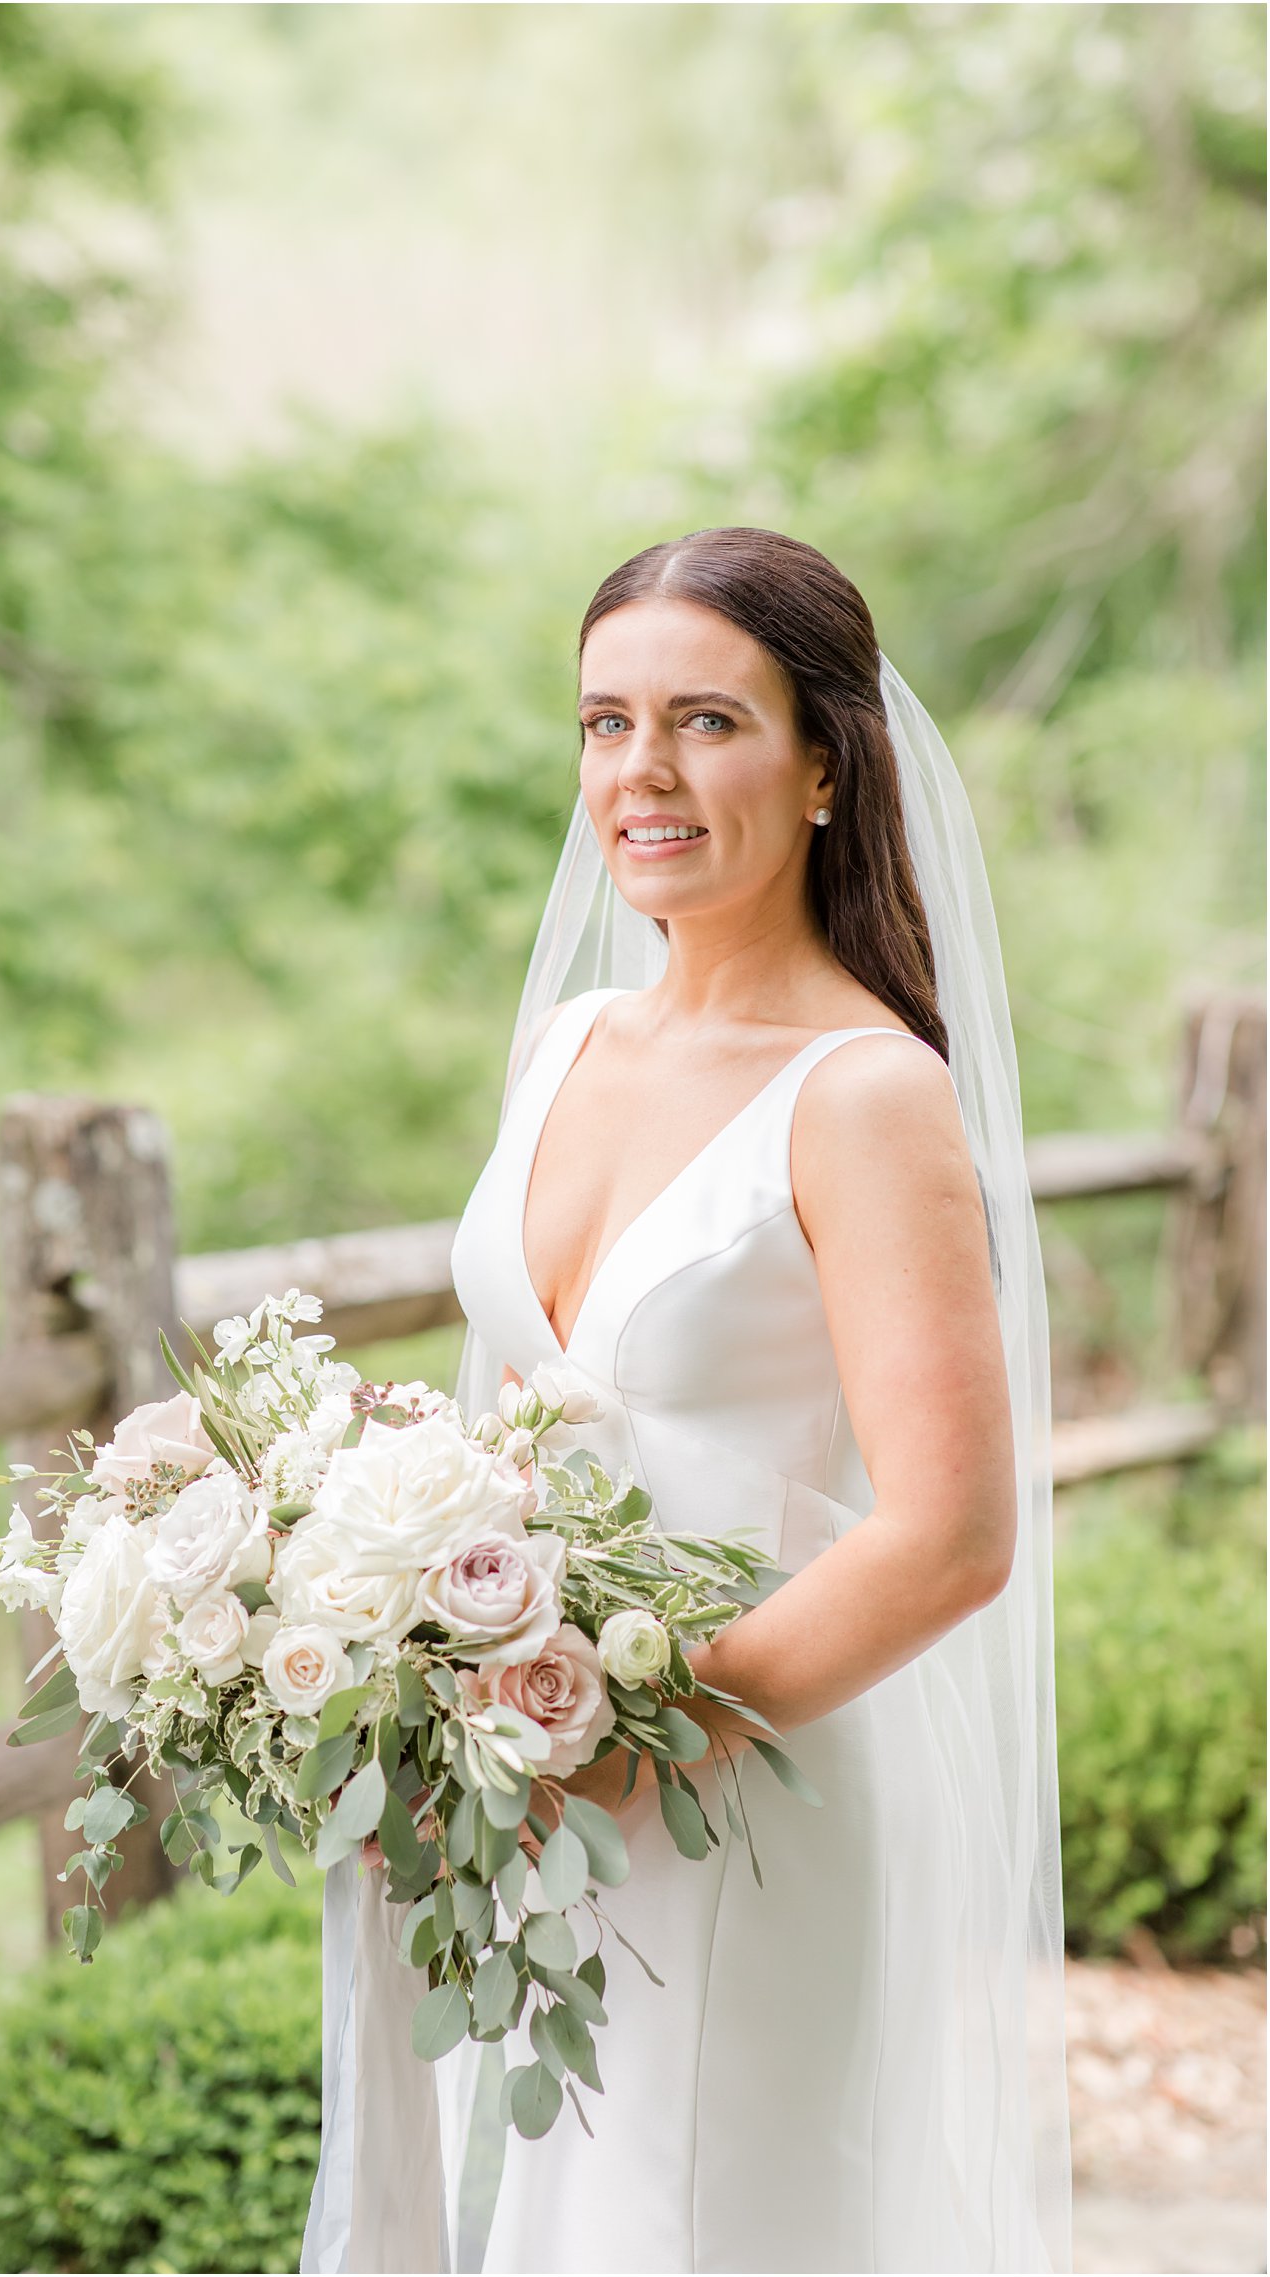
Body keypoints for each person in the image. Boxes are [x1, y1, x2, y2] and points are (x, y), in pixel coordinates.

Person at [301, 527, 1072, 2275]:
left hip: (741, 1783)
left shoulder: (865, 1093)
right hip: (524, 1785)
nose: (641, 772)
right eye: (603, 722)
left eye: (707, 722)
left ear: (822, 768)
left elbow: (950, 1532)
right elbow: (515, 1426)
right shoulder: (567, 1039)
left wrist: (637, 1753)